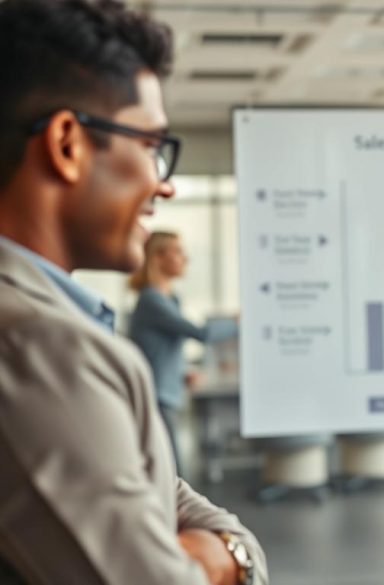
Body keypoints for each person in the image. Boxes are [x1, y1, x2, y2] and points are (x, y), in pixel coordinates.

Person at [0, 1, 267, 584]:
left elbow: (159, 492)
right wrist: (231, 556)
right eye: (150, 146)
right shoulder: (41, 345)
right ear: (68, 143)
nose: (163, 184)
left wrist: (208, 548)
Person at [128, 231, 238, 475]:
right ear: (158, 257)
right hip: (156, 395)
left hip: (168, 392)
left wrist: (183, 371)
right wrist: (236, 322)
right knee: (173, 472)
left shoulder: (170, 299)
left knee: (171, 470)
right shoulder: (151, 300)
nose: (185, 258)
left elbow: (162, 348)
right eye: (177, 251)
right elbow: (201, 334)